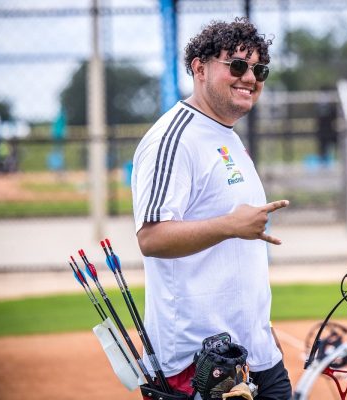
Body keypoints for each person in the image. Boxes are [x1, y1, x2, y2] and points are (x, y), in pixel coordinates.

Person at [131, 18, 292, 400]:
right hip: (198, 365)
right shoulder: (174, 139)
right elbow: (151, 238)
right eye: (237, 65)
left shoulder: (226, 136)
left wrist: (261, 330)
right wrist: (230, 225)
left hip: (255, 355)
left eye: (259, 70)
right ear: (199, 68)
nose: (249, 77)